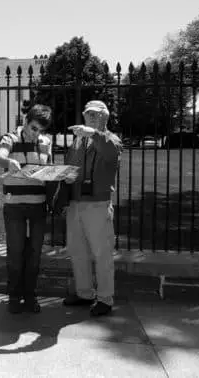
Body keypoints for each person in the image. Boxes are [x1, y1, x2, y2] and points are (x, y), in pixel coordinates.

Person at [62, 100, 122, 317]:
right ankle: (84, 292)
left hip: (97, 204)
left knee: (102, 253)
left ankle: (105, 299)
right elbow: (71, 165)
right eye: (88, 115)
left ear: (105, 117)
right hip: (76, 203)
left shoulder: (110, 139)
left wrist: (93, 134)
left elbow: (110, 153)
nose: (92, 118)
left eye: (96, 115)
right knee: (77, 251)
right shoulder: (78, 141)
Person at [0, 103, 53, 314]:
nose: (36, 134)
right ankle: (14, 295)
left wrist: (53, 171)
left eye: (41, 130)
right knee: (16, 251)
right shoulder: (10, 138)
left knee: (34, 253)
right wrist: (9, 161)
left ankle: (30, 295)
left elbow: (48, 170)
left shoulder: (45, 142)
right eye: (33, 128)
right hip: (15, 206)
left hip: (38, 205)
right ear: (25, 122)